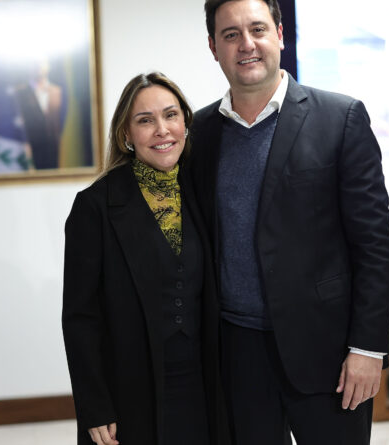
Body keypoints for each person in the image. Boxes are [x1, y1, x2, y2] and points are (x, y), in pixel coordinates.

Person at [188, 1, 389, 444]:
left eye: (257, 29)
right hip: (237, 355)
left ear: (280, 35)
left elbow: (375, 245)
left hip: (329, 352)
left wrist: (368, 348)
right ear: (213, 47)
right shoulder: (199, 133)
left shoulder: (340, 118)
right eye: (230, 35)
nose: (247, 44)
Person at [62, 72, 229, 445]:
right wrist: (94, 406)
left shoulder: (203, 192)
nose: (162, 130)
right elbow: (80, 318)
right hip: (130, 391)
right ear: (126, 134)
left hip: (203, 385)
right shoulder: (94, 207)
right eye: (145, 120)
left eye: (171, 115)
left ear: (185, 123)